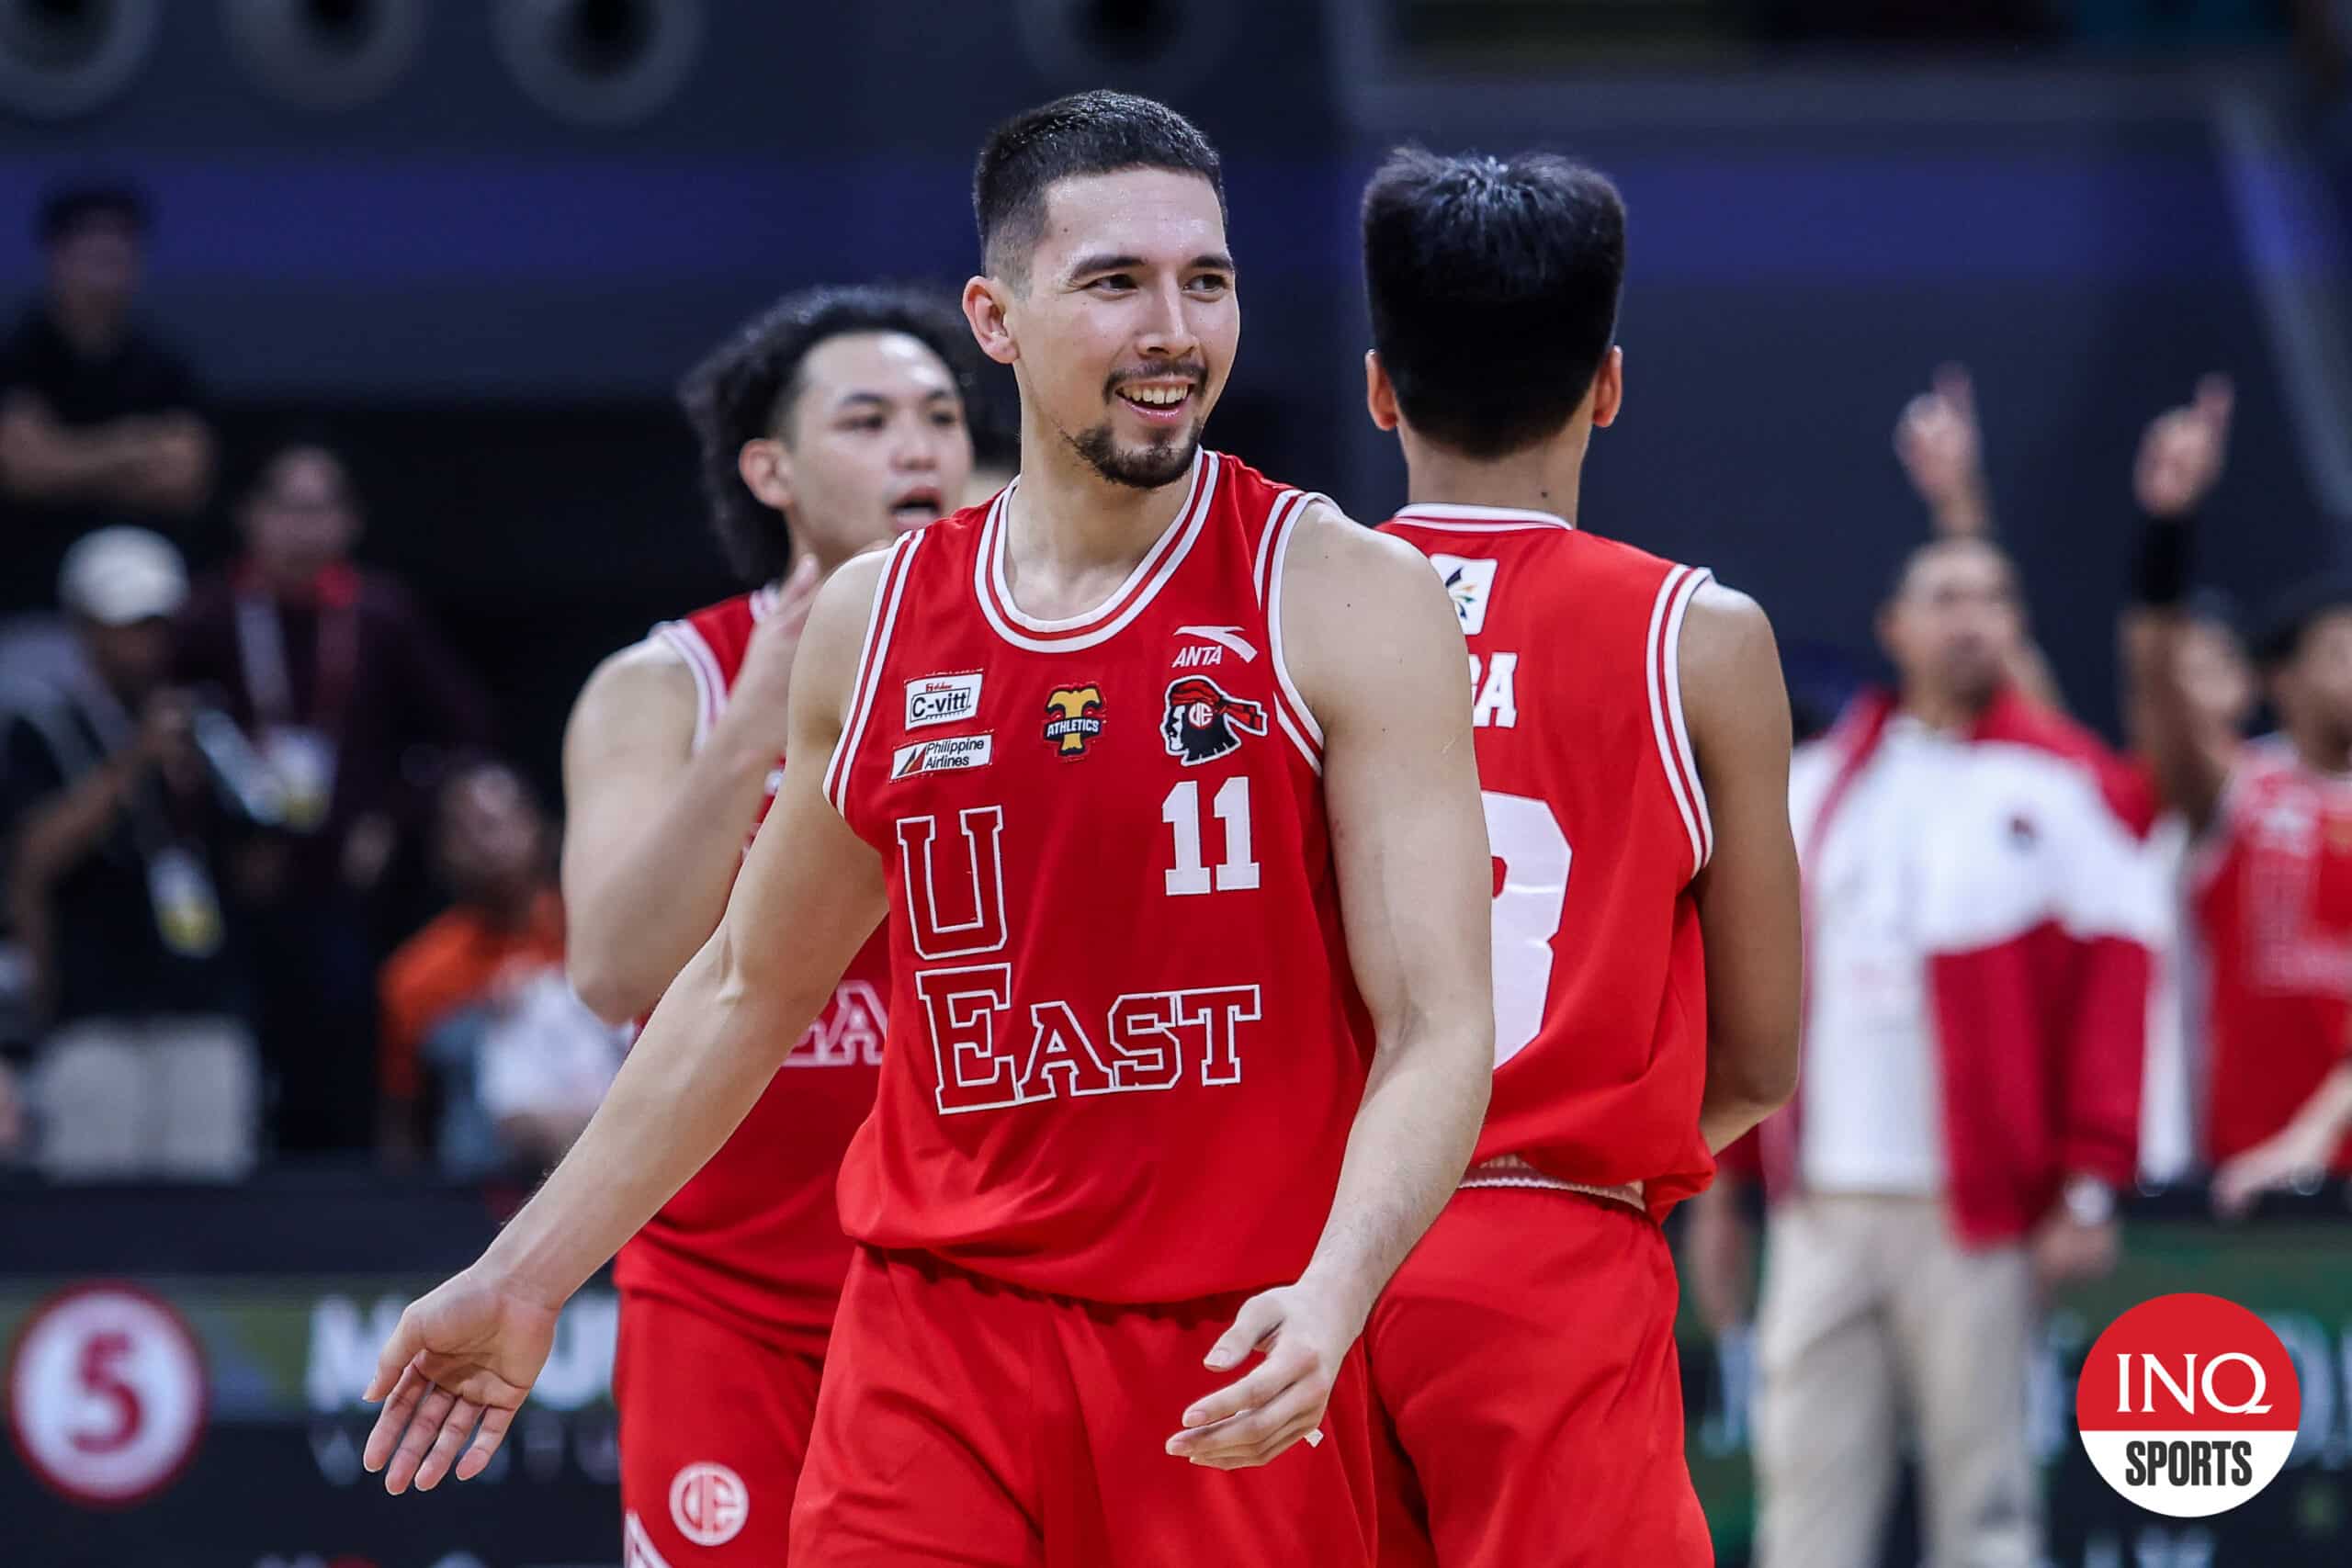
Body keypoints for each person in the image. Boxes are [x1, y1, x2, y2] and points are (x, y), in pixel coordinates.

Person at [361, 90, 1496, 1568]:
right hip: (931, 1343)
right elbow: (740, 987)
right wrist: (525, 1275)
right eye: (1115, 283)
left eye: (1204, 281)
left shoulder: (1341, 589)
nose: (1173, 328)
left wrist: (1341, 1287)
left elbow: (1437, 1024)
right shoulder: (877, 619)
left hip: (1227, 1345)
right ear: (998, 316)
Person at [1357, 149, 1801, 1568]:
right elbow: (1758, 1059)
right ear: (1608, 383)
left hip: (1287, 1260)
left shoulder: (1262, 620)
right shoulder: (1701, 636)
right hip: (1548, 1253)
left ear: (1380, 388)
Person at [559, 285, 978, 1563]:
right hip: (721, 1295)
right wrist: (761, 713)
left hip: (955, 1291)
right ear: (772, 468)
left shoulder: (1041, 667)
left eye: (943, 415)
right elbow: (614, 967)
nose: (918, 444)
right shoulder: (659, 684)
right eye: (869, 418)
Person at [1702, 533, 2155, 1568]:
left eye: (1994, 597)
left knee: (1986, 1505)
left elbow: (2115, 998)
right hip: (1818, 1210)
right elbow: (1751, 997)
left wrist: (2088, 1179)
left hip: (1975, 1216)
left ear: (2017, 627)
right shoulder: (1813, 786)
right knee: (1803, 1506)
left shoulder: (2062, 788)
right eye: (1945, 596)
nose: (1970, 617)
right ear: (1893, 629)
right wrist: (1723, 1190)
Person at [175, 439, 494, 1156]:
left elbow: (462, 729)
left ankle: (347, 1207)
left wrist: (390, 817)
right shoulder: (208, 615)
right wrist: (221, 838)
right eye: (286, 507)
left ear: (349, 521)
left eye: (320, 509)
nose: (302, 527)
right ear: (250, 516)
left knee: (347, 1039)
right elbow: (174, 737)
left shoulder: (381, 614)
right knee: (243, 1046)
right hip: (237, 884)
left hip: (349, 886)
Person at [2130, 379, 2352, 1209]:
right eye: (2340, 650)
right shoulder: (2238, 792)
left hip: (2324, 1157)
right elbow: (2155, 682)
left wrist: (2314, 1136)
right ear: (2281, 679)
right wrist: (2167, 526)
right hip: (2235, 1175)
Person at [0, 527, 256, 1179]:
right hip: (95, 1017)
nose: (149, 642)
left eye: (159, 624)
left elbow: (260, 858)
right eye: (131, 624)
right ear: (85, 626)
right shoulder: (38, 727)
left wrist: (209, 785)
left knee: (209, 1208)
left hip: (202, 1008)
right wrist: (134, 762)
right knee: (94, 1216)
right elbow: (32, 857)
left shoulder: (206, 726)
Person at [379, 761, 616, 1176]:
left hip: (609, 1174)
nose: (488, 843)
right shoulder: (417, 973)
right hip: (475, 1192)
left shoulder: (605, 937)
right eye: (467, 829)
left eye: (501, 822)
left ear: (541, 829)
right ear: (444, 848)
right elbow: (403, 1117)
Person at [0, 183, 212, 626]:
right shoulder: (17, 355)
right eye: (90, 252)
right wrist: (136, 444)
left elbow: (183, 479)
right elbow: (22, 472)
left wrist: (65, 455)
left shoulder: (167, 365)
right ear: (56, 256)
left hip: (145, 605)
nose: (104, 269)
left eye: (118, 253)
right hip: (28, 598)